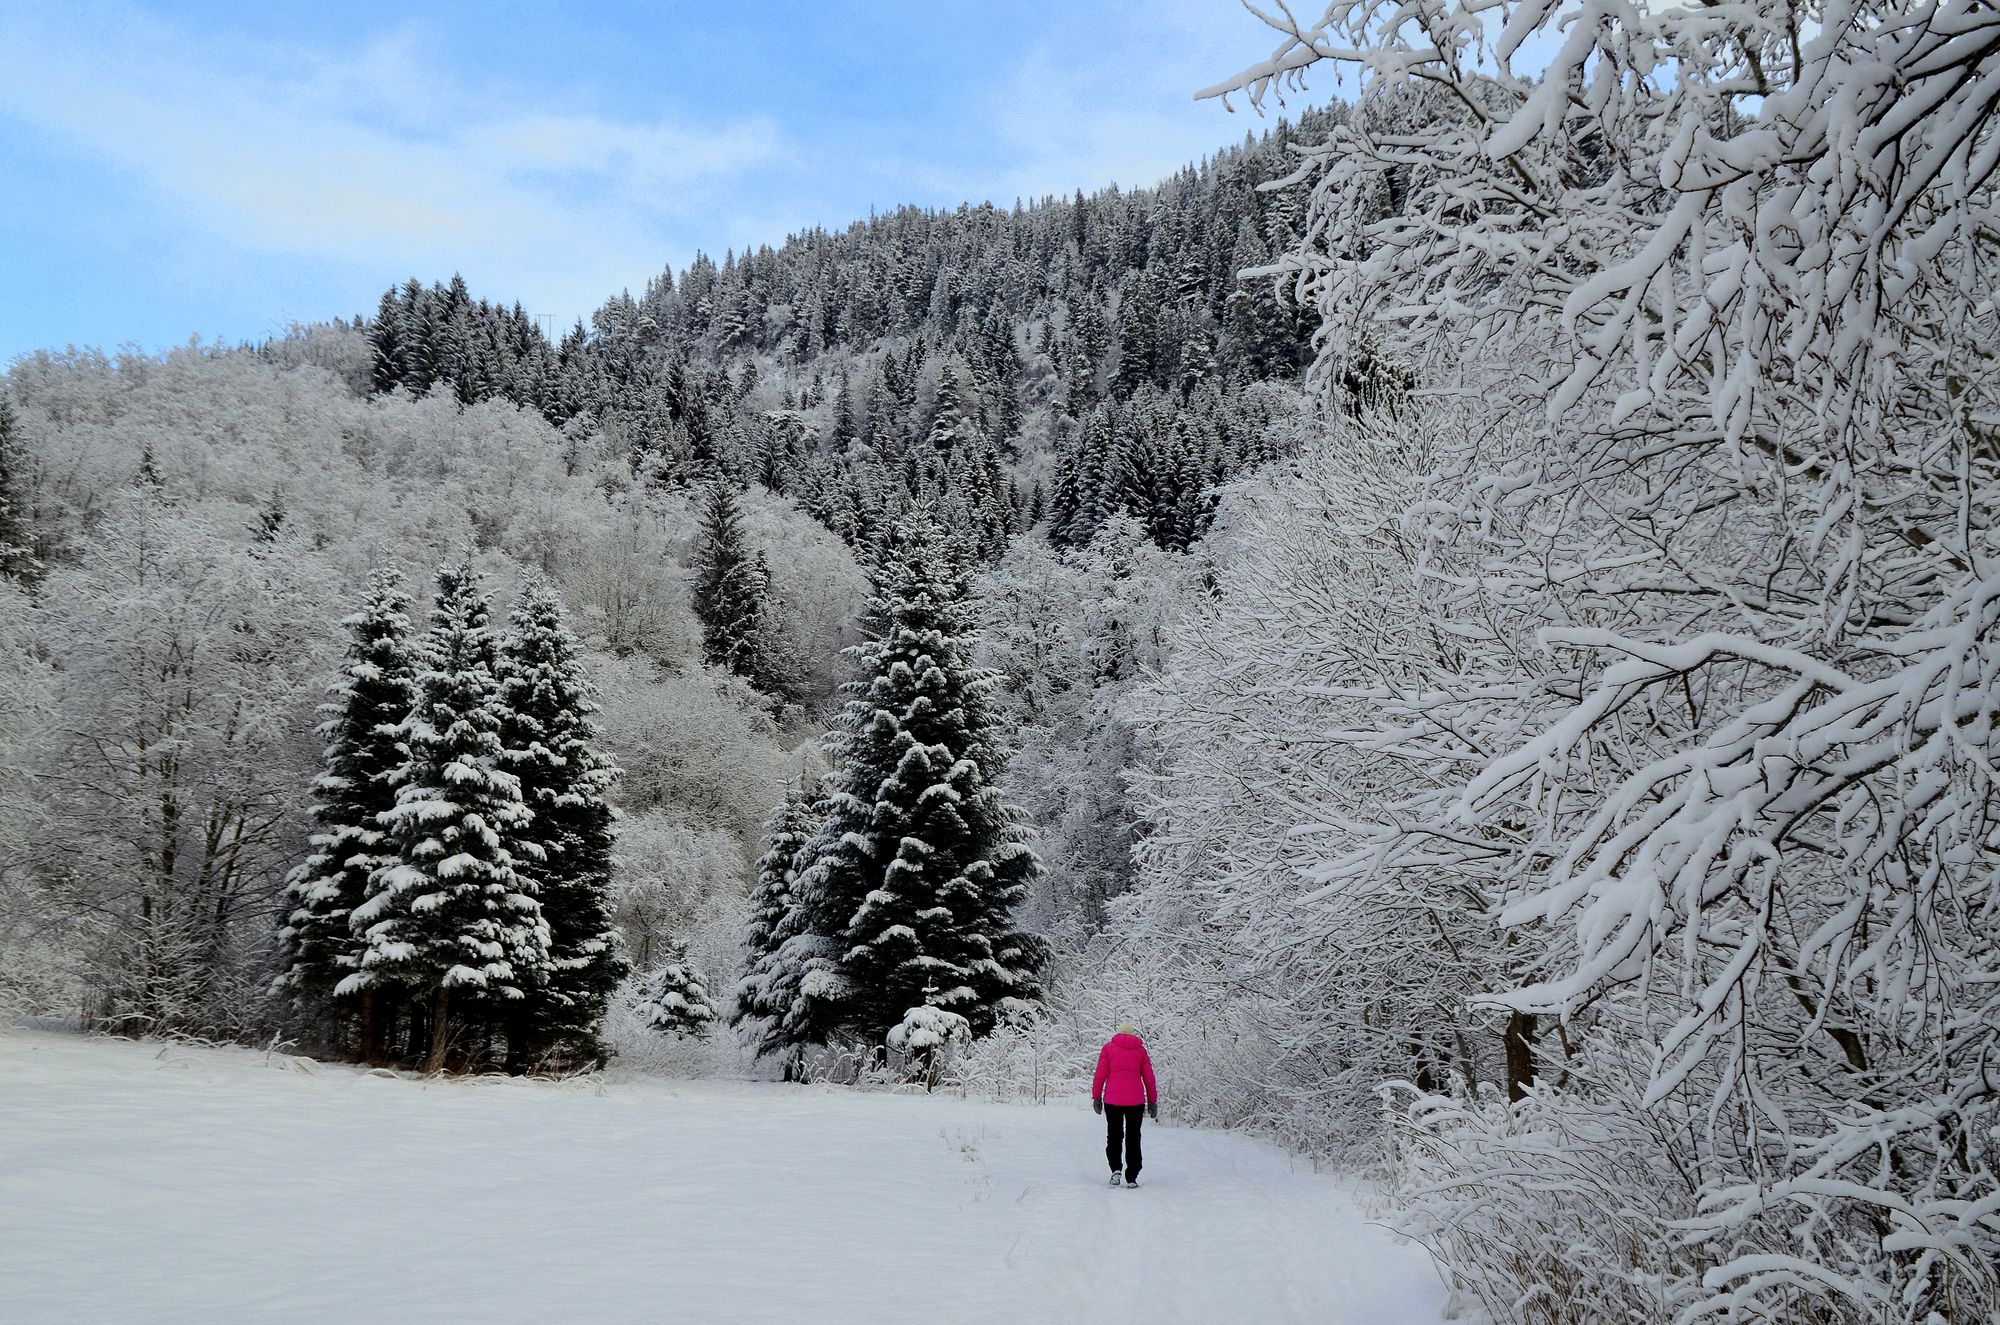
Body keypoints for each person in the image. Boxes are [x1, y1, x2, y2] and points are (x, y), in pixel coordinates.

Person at [1090, 1023, 1158, 1187]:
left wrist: (1096, 1097)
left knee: (1114, 1135)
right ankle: (1132, 1176)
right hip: (1136, 1101)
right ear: (1133, 1034)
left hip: (1113, 1101)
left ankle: (1115, 1169)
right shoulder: (1140, 1051)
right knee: (1134, 1137)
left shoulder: (1109, 1048)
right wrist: (1152, 1101)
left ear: (1119, 1033)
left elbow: (1100, 1074)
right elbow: (1149, 1077)